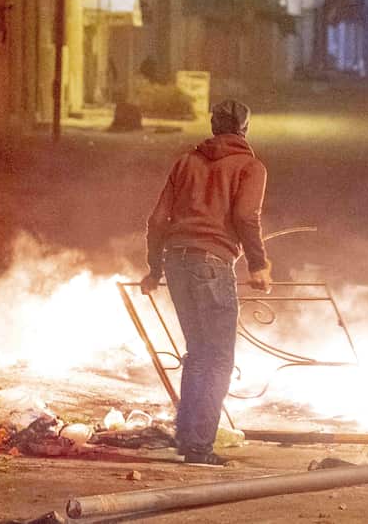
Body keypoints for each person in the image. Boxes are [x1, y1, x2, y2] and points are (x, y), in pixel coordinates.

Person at [140, 99, 272, 466]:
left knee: (197, 353)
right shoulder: (251, 166)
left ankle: (187, 438)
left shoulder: (186, 162)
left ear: (214, 126)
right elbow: (247, 215)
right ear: (244, 129)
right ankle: (199, 447)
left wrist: (154, 270)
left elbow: (157, 220)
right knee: (218, 359)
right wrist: (258, 265)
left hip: (177, 261)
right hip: (212, 263)